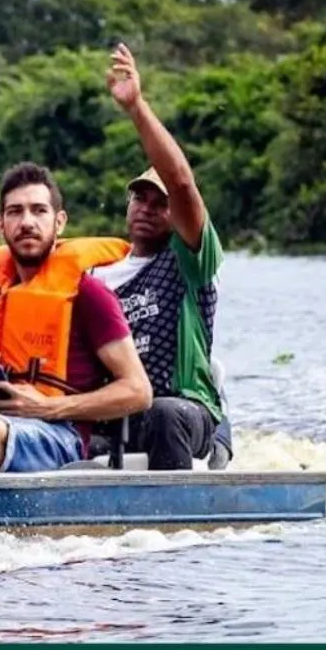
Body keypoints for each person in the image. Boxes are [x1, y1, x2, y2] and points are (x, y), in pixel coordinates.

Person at [90, 44, 229, 470]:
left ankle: (171, 529)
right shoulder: (95, 274)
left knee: (165, 413)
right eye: (139, 198)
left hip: (183, 408)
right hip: (112, 408)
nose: (147, 208)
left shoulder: (188, 263)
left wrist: (136, 108)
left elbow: (182, 183)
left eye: (159, 203)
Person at [0, 163, 151, 472]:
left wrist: (46, 407)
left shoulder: (88, 294)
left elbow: (138, 391)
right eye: (15, 212)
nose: (27, 222)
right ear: (0, 225)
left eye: (39, 211)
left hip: (59, 434)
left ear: (59, 222)